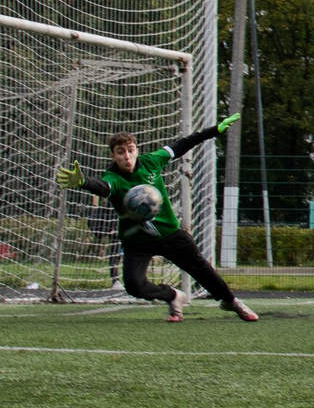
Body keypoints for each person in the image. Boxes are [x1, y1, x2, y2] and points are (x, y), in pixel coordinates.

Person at [58, 119, 258, 322]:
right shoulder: (113, 178)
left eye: (130, 150)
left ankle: (231, 301)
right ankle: (173, 296)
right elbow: (103, 187)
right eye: (121, 152)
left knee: (202, 269)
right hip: (137, 242)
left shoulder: (152, 161)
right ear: (113, 156)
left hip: (170, 234)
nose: (127, 156)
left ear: (137, 150)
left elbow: (183, 144)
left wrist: (214, 130)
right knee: (134, 286)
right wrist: (83, 182)